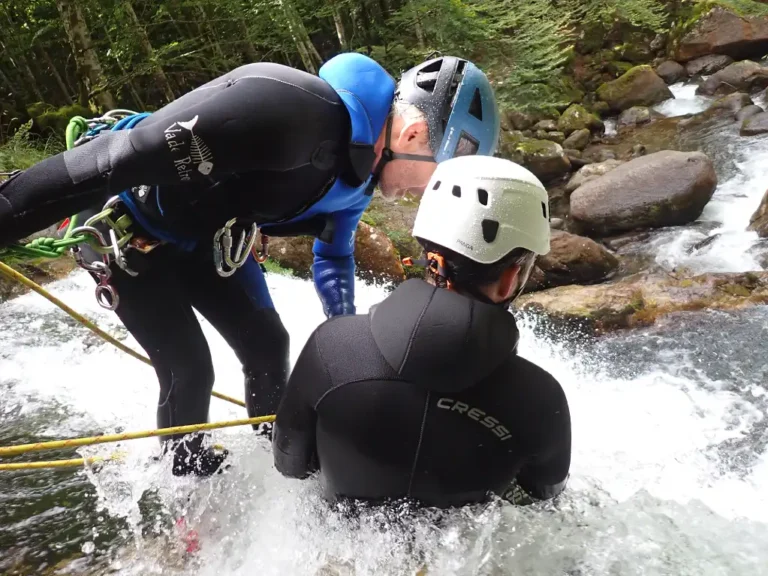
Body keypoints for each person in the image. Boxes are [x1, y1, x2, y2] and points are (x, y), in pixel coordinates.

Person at [0, 53, 500, 476]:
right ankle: (185, 489)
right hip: (126, 233)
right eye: (437, 176)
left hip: (208, 237)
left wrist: (349, 338)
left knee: (268, 346)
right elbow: (112, 158)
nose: (426, 192)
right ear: (412, 134)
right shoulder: (290, 109)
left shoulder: (360, 176)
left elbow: (334, 253)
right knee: (189, 369)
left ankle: (277, 464)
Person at [273, 155, 571, 508]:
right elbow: (541, 497)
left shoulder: (331, 347)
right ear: (510, 278)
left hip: (335, 536)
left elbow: (291, 464)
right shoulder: (541, 400)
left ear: (429, 251)